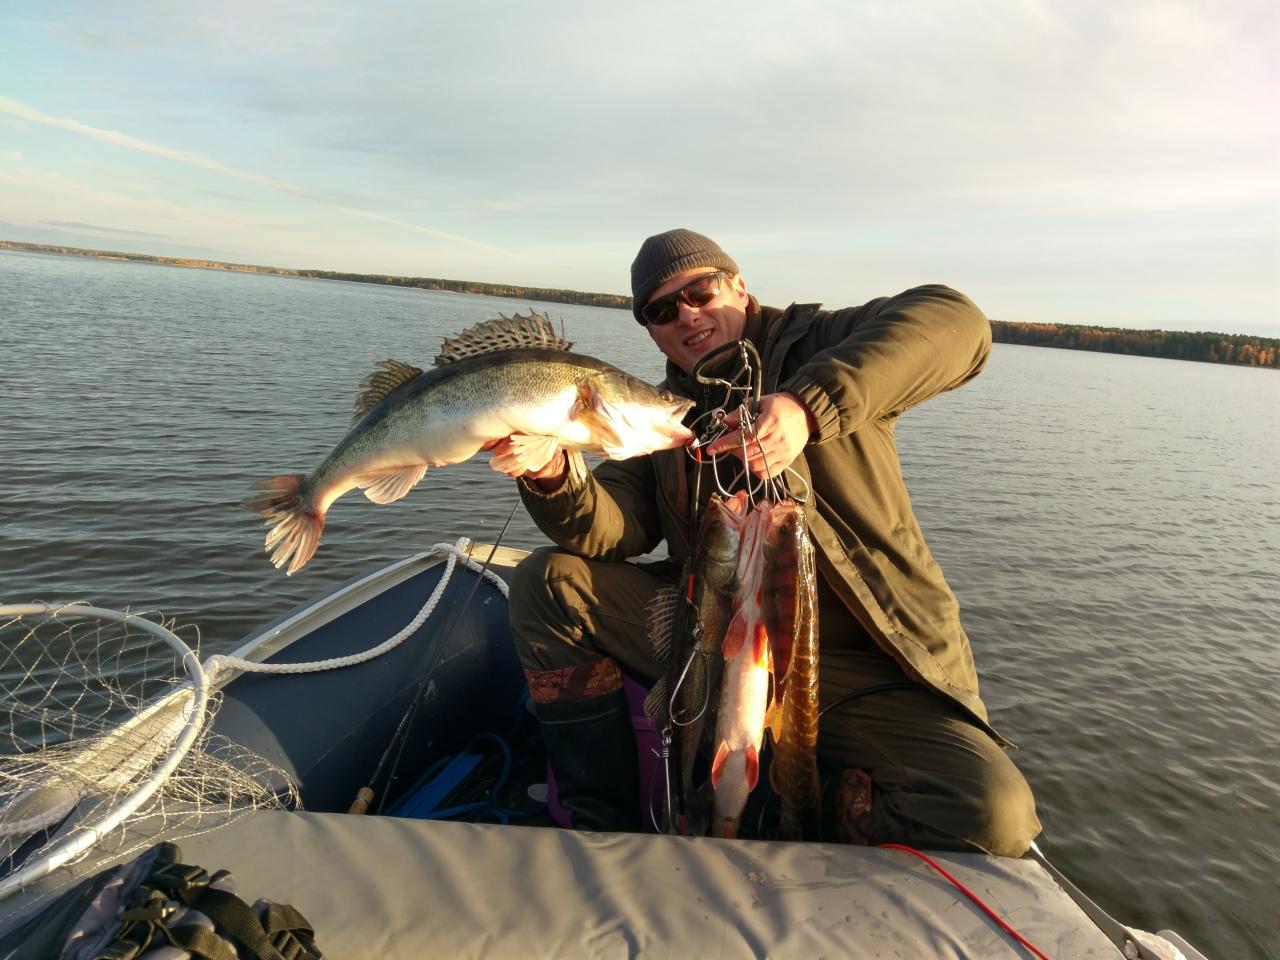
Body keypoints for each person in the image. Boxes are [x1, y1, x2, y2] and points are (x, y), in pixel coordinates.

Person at [492, 228, 1041, 856]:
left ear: (738, 286)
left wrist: (807, 407)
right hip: (709, 643)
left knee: (991, 812)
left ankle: (807, 808)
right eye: (662, 311)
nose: (686, 315)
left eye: (700, 292)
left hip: (861, 666)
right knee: (548, 585)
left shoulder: (822, 343)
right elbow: (612, 527)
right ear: (652, 332)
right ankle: (605, 836)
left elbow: (958, 323)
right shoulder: (664, 416)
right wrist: (553, 475)